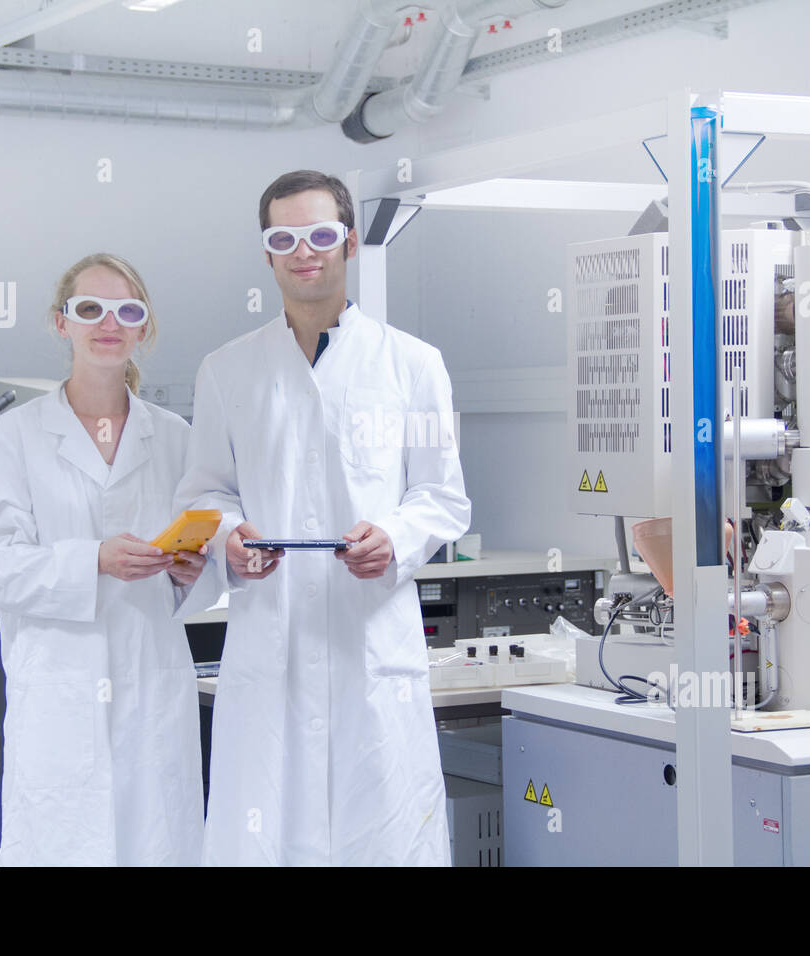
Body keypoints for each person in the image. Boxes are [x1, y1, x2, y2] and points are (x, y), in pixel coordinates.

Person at [175, 170, 471, 865]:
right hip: (270, 641)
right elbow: (204, 493)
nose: (303, 251)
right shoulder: (227, 370)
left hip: (368, 641)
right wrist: (228, 537)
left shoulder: (414, 366)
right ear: (268, 253)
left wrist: (393, 538)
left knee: (382, 830)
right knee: (267, 832)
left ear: (349, 245)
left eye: (320, 235)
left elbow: (443, 497)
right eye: (284, 238)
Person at [0, 253, 213, 866]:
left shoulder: (177, 437)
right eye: (90, 309)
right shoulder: (12, 438)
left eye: (128, 311)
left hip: (151, 677)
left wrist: (192, 572)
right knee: (61, 840)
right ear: (60, 323)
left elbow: (202, 573)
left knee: (156, 838)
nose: (109, 323)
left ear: (144, 327)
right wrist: (91, 561)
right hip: (59, 686)